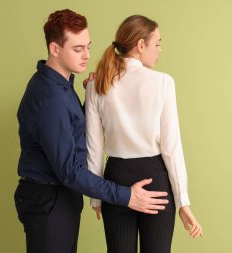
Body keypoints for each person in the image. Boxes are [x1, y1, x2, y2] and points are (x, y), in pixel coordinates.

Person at [14, 9, 169, 253]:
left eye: (88, 46)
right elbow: (69, 170)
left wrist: (91, 99)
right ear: (55, 49)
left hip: (60, 198)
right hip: (49, 200)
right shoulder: (50, 97)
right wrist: (125, 195)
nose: (87, 55)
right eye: (78, 49)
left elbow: (70, 131)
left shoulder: (62, 86)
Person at [85, 15, 203, 253]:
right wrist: (183, 201)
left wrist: (96, 197)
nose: (159, 50)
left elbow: (94, 148)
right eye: (157, 43)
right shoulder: (163, 83)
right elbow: (171, 148)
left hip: (115, 179)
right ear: (141, 45)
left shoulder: (97, 86)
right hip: (155, 179)